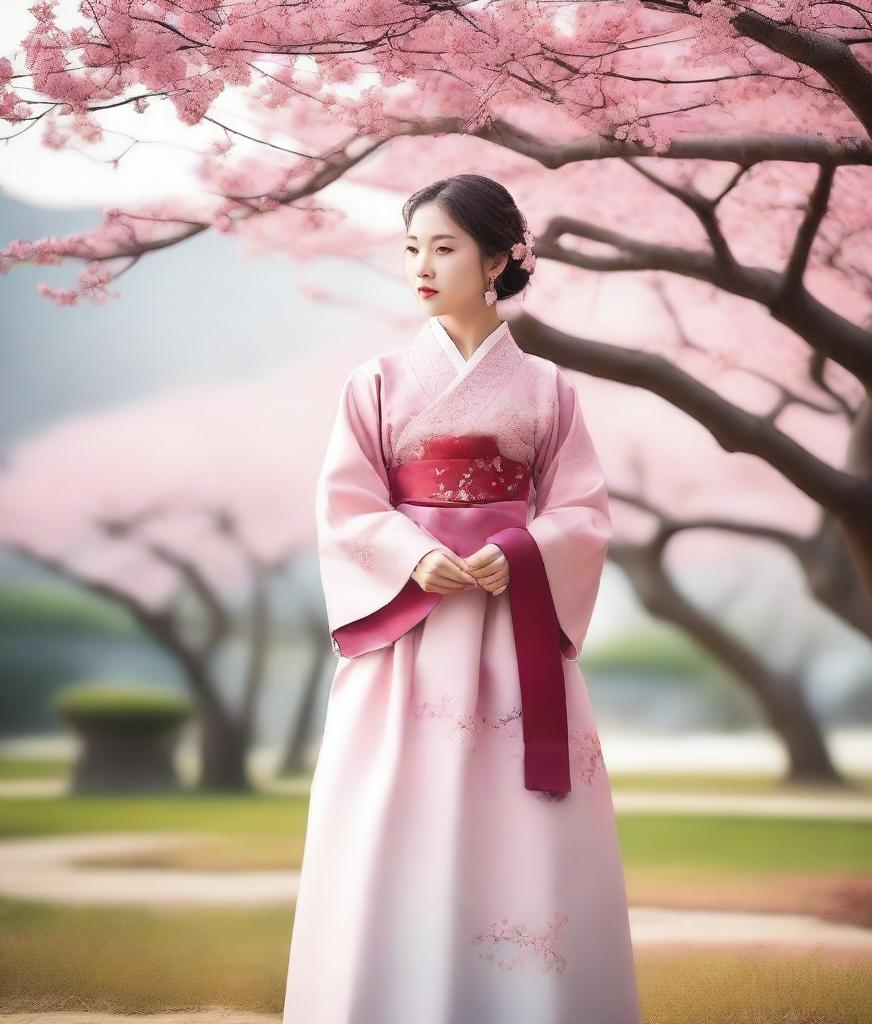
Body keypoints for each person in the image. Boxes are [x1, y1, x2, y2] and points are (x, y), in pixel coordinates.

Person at [281, 173, 641, 1024]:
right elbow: (346, 503)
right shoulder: (374, 381)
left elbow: (583, 511)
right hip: (413, 636)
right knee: (394, 818)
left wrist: (518, 549)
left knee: (520, 828)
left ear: (498, 260)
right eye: (413, 247)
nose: (422, 265)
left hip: (510, 633)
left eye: (443, 247)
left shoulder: (549, 388)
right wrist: (411, 556)